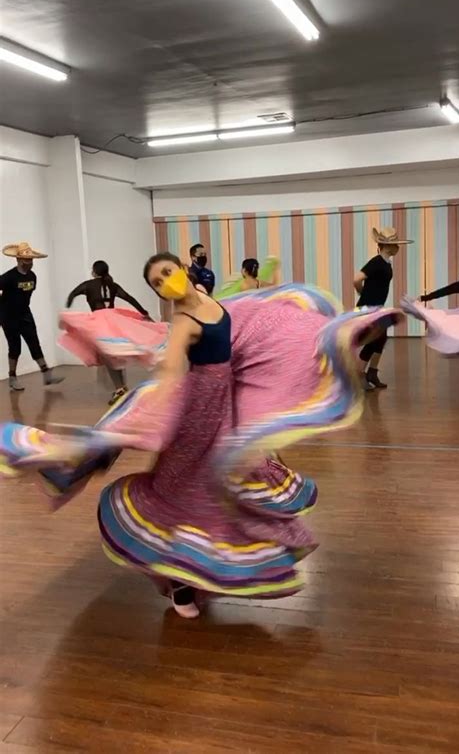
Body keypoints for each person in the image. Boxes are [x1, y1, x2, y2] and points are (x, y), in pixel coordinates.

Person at [0, 260, 404, 622]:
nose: (164, 283)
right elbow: (176, 367)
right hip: (193, 414)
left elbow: (251, 319)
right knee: (184, 492)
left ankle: (203, 572)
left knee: (230, 486)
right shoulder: (182, 321)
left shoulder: (212, 302)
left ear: (184, 272)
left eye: (166, 273)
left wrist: (340, 327)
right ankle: (179, 584)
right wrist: (160, 388)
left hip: (223, 404)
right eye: (157, 282)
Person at [64, 260, 159, 406]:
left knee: (109, 355)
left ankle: (120, 388)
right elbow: (129, 298)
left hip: (100, 321)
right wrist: (144, 313)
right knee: (112, 353)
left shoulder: (88, 285)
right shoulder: (112, 285)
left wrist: (69, 303)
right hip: (113, 320)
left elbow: (73, 293)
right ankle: (120, 388)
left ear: (94, 271)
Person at [354, 227, 413, 390]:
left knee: (381, 339)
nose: (398, 247)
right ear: (387, 246)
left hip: (377, 308)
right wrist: (362, 293)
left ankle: (372, 372)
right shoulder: (377, 262)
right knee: (373, 341)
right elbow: (356, 278)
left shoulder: (386, 263)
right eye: (396, 244)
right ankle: (359, 376)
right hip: (368, 309)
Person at [0, 242, 64, 391]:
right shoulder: (8, 277)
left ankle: (46, 374)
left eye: (31, 260)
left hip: (25, 314)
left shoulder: (32, 276)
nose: (30, 263)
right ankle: (12, 377)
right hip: (9, 317)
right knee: (15, 347)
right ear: (19, 260)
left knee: (34, 343)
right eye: (27, 260)